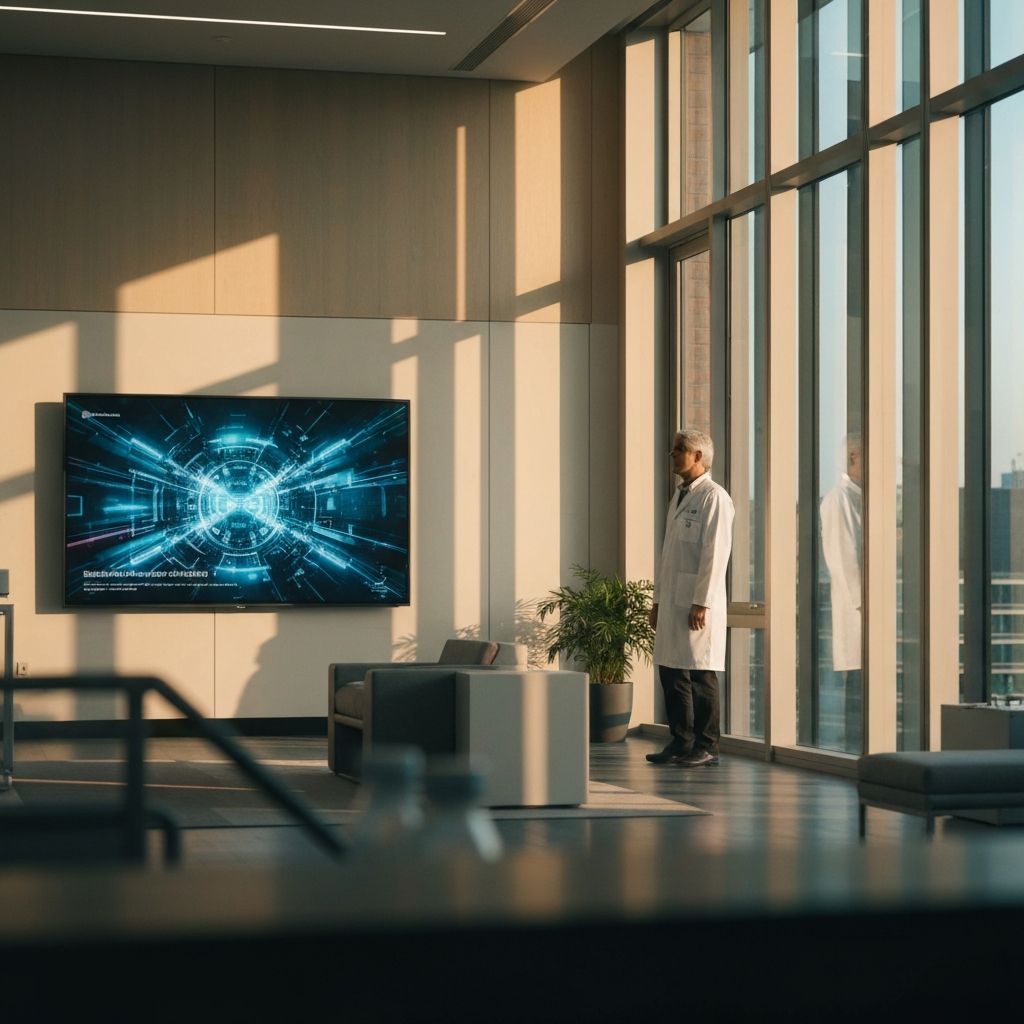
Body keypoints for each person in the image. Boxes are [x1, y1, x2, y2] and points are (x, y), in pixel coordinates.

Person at [646, 429, 735, 767]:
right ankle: (681, 740)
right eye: (673, 448)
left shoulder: (715, 498)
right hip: (671, 599)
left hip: (697, 602)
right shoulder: (679, 497)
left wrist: (703, 601)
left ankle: (707, 744)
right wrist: (656, 602)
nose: (672, 454)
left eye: (679, 449)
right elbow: (668, 556)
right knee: (671, 671)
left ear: (699, 456)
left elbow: (716, 554)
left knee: (700, 672)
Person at [820, 433, 863, 751]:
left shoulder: (860, 497)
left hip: (866, 610)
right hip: (858, 610)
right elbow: (844, 558)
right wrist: (865, 603)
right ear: (853, 457)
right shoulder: (839, 499)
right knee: (859, 692)